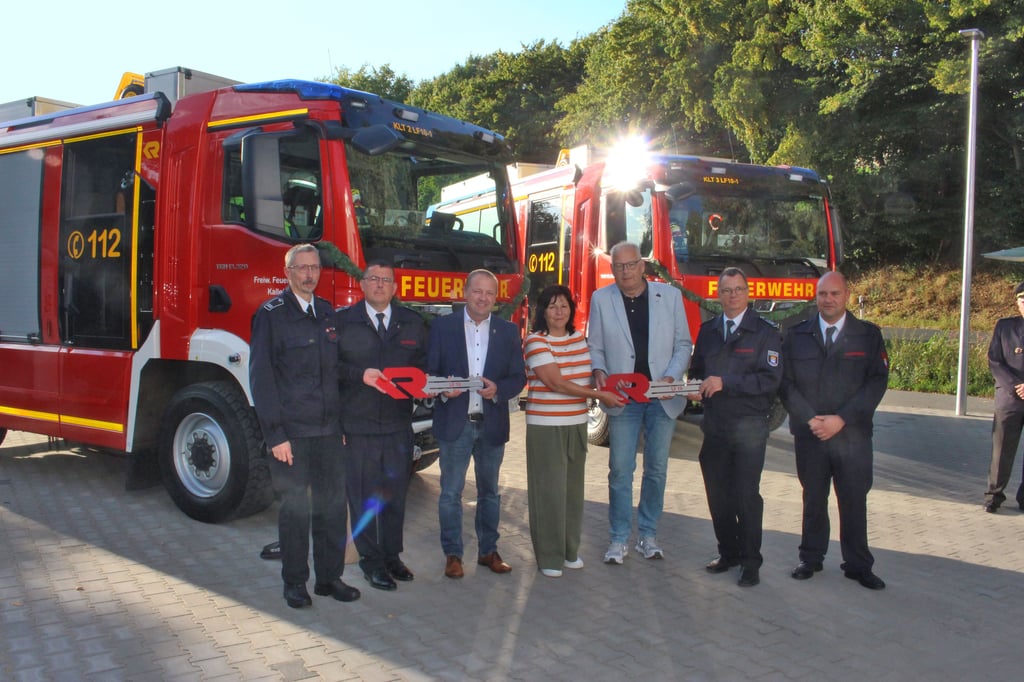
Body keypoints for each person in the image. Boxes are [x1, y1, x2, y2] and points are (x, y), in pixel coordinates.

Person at [249, 243, 360, 608]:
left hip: (328, 433)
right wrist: (275, 435)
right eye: (302, 268)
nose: (310, 274)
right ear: (288, 272)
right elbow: (261, 379)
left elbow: (334, 374)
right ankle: (295, 582)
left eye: (315, 268)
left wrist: (344, 420)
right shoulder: (271, 315)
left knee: (331, 510)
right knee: (295, 513)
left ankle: (330, 579)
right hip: (292, 436)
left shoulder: (327, 314)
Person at [779, 271, 889, 590]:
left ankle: (858, 564)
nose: (828, 300)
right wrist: (810, 418)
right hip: (810, 434)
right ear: (816, 296)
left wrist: (841, 418)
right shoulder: (796, 334)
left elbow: (876, 382)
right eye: (822, 294)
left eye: (834, 294)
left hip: (852, 436)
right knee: (813, 498)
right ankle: (810, 558)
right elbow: (785, 384)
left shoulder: (867, 335)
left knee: (853, 500)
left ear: (847, 295)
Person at [588, 241, 692, 564]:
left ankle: (647, 535)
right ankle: (618, 538)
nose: (624, 272)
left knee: (656, 469)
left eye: (630, 265)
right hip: (624, 398)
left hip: (662, 398)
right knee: (620, 470)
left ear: (642, 266)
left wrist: (672, 377)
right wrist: (599, 370)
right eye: (618, 267)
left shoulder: (670, 297)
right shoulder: (601, 299)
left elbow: (683, 344)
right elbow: (596, 346)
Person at [427, 269, 527, 578]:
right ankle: (453, 555)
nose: (483, 298)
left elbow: (518, 377)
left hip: (491, 424)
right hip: (455, 421)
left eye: (489, 293)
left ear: (496, 299)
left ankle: (488, 552)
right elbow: (428, 373)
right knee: (450, 493)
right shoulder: (443, 328)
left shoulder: (508, 332)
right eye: (477, 291)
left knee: (490, 494)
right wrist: (444, 387)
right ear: (465, 292)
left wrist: (499, 390)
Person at [688, 267, 782, 587]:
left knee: (745, 495)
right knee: (718, 495)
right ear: (718, 294)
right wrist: (693, 387)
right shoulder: (709, 330)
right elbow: (698, 372)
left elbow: (770, 381)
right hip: (715, 427)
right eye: (726, 290)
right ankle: (727, 552)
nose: (732, 295)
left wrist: (726, 382)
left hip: (749, 427)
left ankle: (750, 561)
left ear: (748, 292)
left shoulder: (766, 332)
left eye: (738, 289)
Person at [336, 260, 427, 590]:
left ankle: (391, 556)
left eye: (385, 280)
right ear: (361, 285)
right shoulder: (343, 323)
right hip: (358, 427)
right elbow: (330, 370)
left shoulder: (411, 324)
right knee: (363, 498)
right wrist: (358, 376)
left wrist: (436, 385)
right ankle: (370, 561)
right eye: (372, 279)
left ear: (395, 288)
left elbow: (423, 369)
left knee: (394, 496)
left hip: (397, 425)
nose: (379, 285)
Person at [523, 285, 624, 577]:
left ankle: (569, 551)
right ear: (543, 311)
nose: (558, 312)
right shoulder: (535, 341)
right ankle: (549, 557)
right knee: (549, 493)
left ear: (571, 310)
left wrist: (607, 384)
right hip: (546, 427)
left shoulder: (580, 339)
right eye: (552, 306)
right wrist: (599, 395)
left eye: (564, 306)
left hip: (576, 424)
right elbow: (556, 383)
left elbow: (596, 370)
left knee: (571, 491)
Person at [982, 281, 1024, 513]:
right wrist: (1017, 386)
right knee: (1001, 451)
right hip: (1009, 399)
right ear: (1017, 303)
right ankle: (994, 496)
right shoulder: (1005, 327)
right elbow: (995, 361)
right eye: (1022, 300)